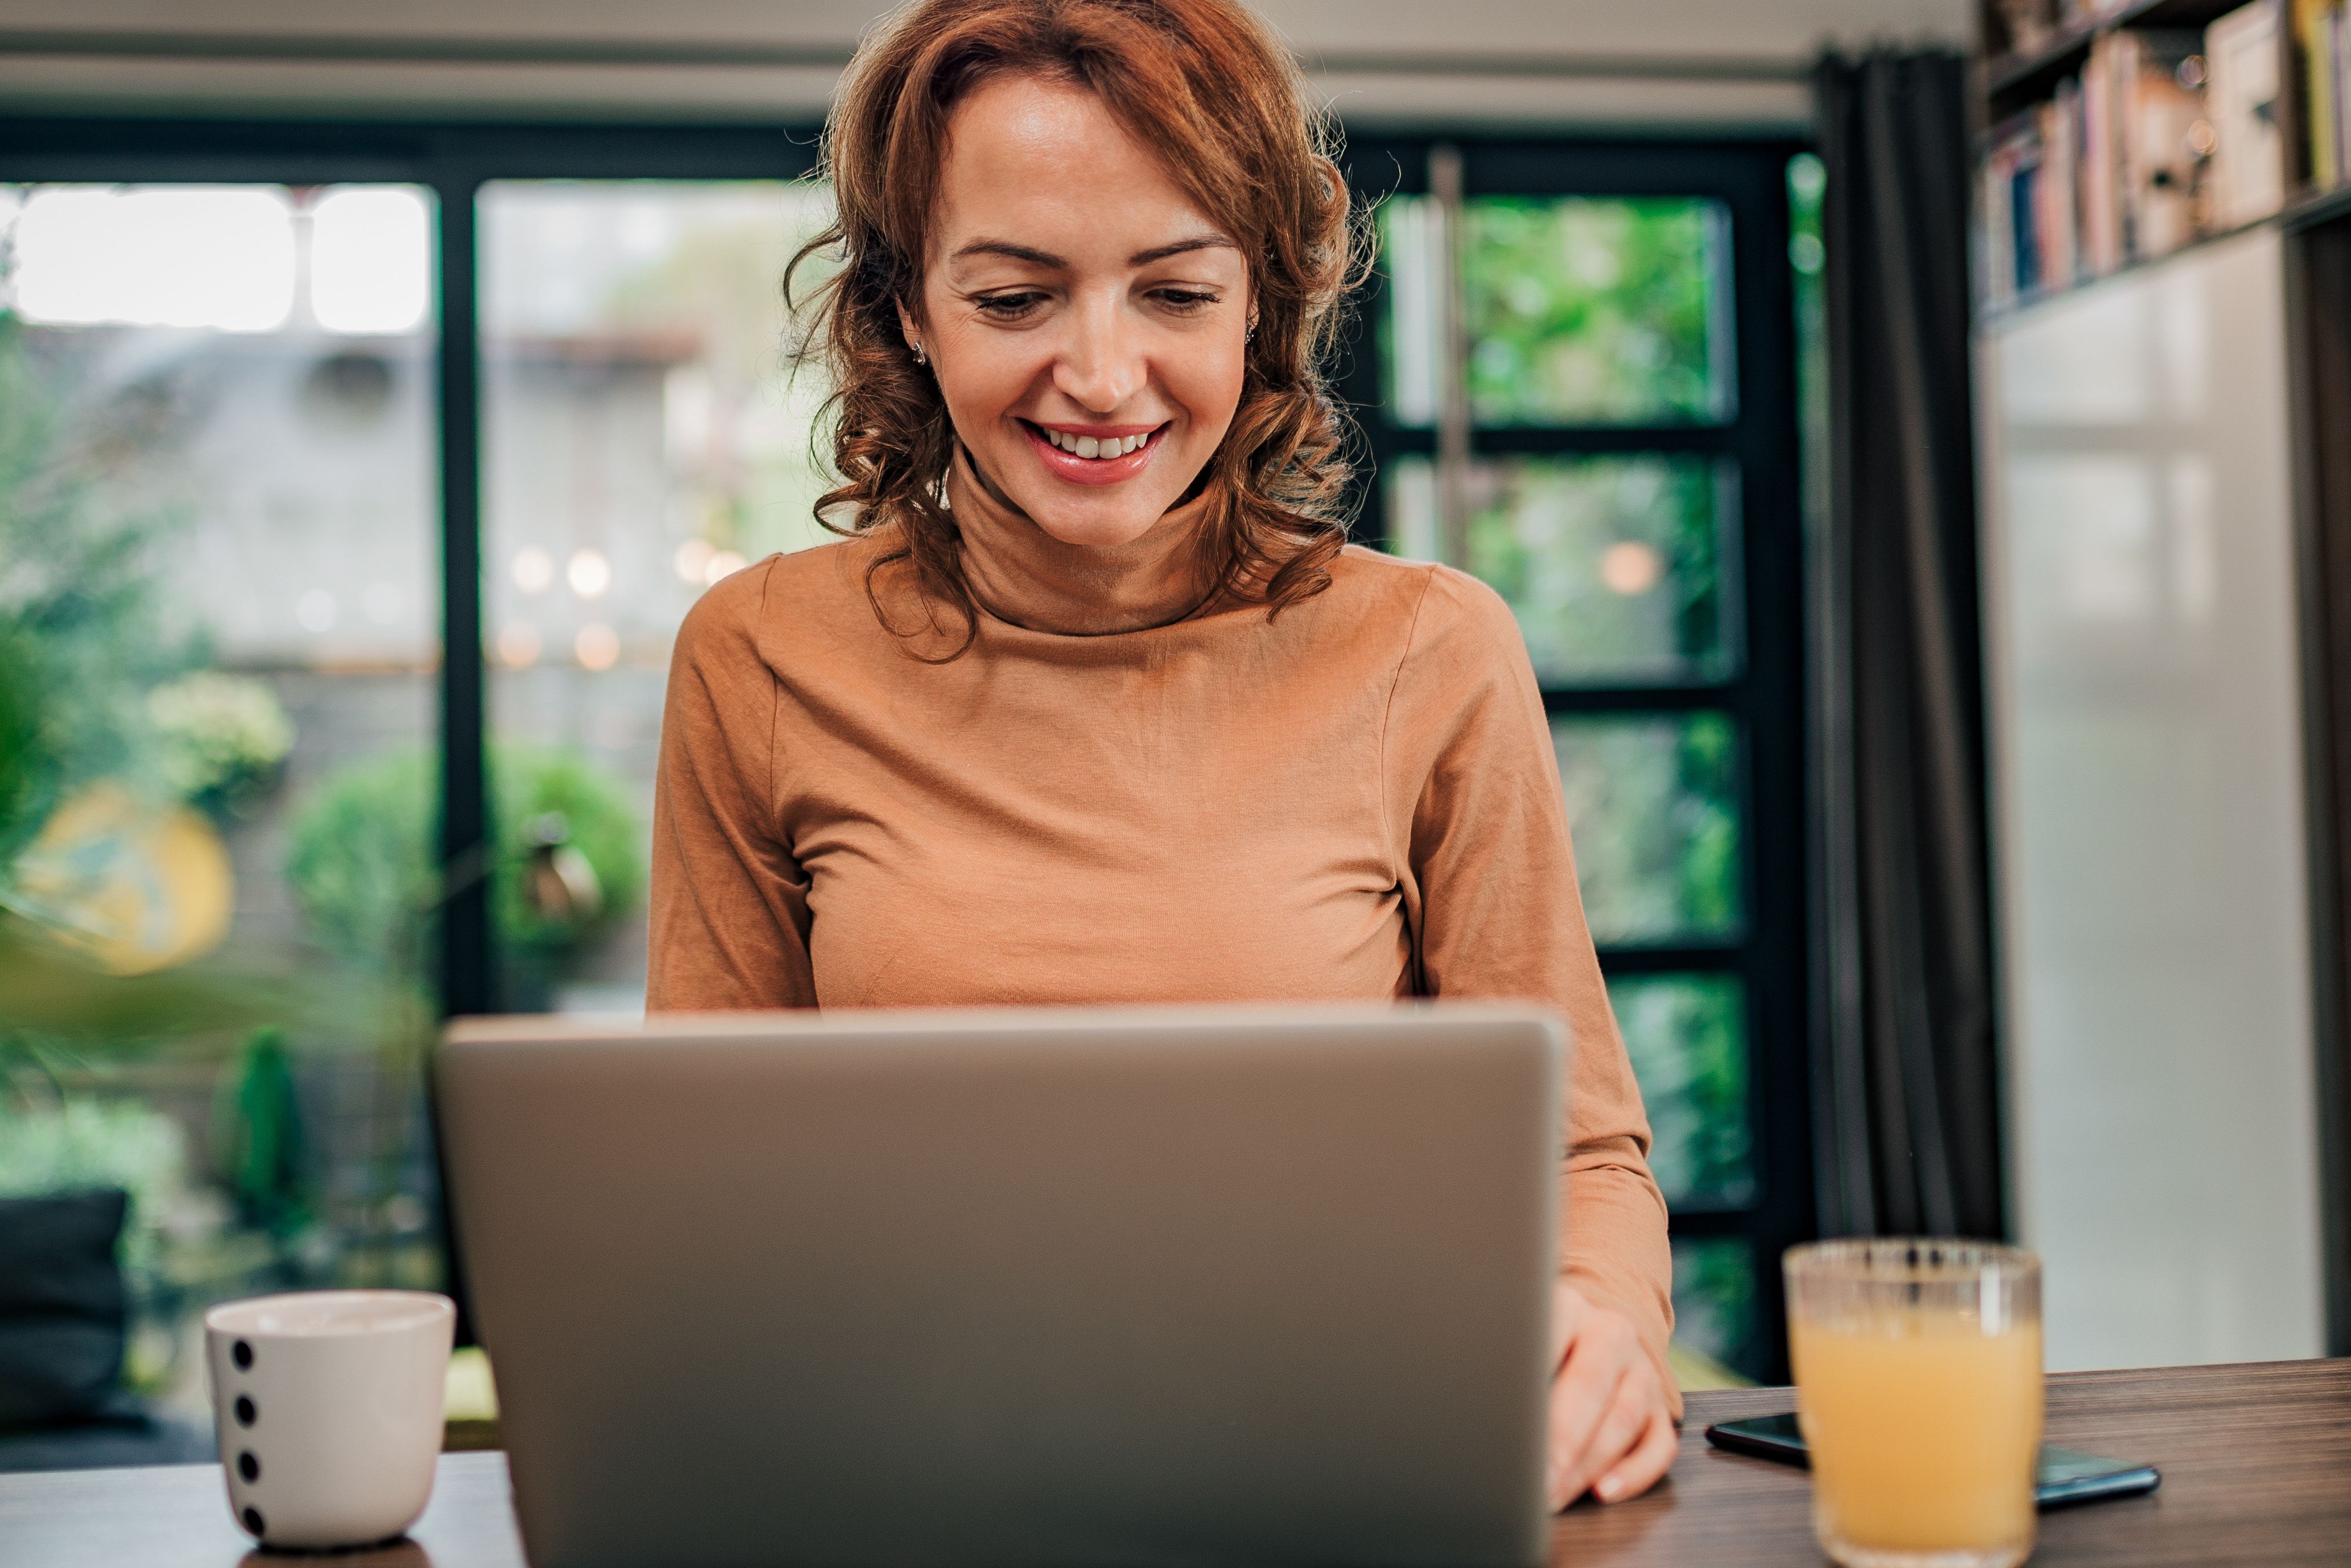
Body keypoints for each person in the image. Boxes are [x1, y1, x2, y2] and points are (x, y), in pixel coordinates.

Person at [647, 0, 1680, 1509]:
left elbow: (1584, 1157)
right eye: (1015, 300)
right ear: (908, 311)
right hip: (901, 1492)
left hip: (1348, 1477)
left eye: (1176, 292)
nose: (1105, 376)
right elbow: (698, 1194)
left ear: (1262, 304)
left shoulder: (1431, 653)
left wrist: (1605, 1331)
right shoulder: (756, 659)